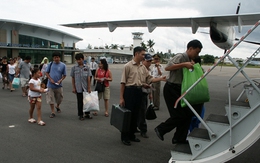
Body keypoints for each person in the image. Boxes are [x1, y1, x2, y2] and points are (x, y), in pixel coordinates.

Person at [154, 39, 204, 144]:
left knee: (188, 115)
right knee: (178, 115)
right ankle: (161, 129)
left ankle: (179, 138)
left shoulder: (190, 60)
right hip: (171, 89)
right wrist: (184, 64)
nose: (197, 54)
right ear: (190, 48)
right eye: (197, 52)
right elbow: (167, 67)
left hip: (180, 90)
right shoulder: (181, 57)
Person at [120, 46, 166, 146]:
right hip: (129, 92)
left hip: (139, 92)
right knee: (128, 115)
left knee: (136, 115)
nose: (144, 56)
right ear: (136, 54)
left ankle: (132, 135)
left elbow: (150, 79)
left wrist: (161, 79)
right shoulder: (127, 66)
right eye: (142, 54)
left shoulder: (142, 67)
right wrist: (121, 97)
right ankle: (124, 137)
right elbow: (123, 83)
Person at [70, 53, 93, 120]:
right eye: (77, 60)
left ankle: (87, 114)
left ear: (82, 59)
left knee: (87, 101)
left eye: (79, 59)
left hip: (85, 87)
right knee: (80, 102)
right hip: (78, 88)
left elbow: (89, 78)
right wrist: (73, 87)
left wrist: (89, 87)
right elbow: (73, 78)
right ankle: (80, 115)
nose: (78, 61)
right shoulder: (74, 68)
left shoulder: (87, 68)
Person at [45, 52, 66, 118]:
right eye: (55, 57)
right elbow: (46, 73)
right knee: (50, 98)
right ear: (53, 58)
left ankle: (57, 106)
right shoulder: (50, 64)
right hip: (50, 85)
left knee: (60, 98)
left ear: (59, 58)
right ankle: (53, 112)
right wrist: (50, 79)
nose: (56, 59)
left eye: (57, 57)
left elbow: (64, 75)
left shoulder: (63, 65)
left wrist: (60, 80)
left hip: (59, 85)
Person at [138, 53, 153, 138]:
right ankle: (143, 129)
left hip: (145, 92)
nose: (150, 63)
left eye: (151, 61)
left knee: (142, 111)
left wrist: (150, 93)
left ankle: (140, 127)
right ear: (143, 61)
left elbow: (150, 83)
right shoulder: (139, 69)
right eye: (148, 61)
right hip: (139, 92)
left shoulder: (149, 70)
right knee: (141, 112)